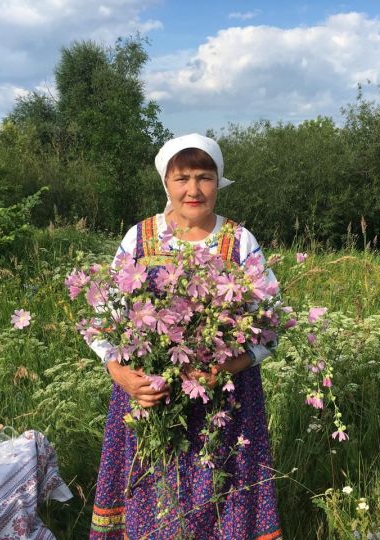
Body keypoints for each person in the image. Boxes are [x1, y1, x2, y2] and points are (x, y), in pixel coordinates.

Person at [89, 134, 282, 539]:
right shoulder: (138, 239)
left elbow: (271, 325)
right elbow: (103, 318)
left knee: (223, 493)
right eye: (182, 178)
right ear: (166, 184)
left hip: (224, 402)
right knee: (152, 496)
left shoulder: (238, 242)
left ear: (218, 182)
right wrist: (120, 374)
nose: (193, 190)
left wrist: (227, 367)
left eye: (204, 177)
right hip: (149, 399)